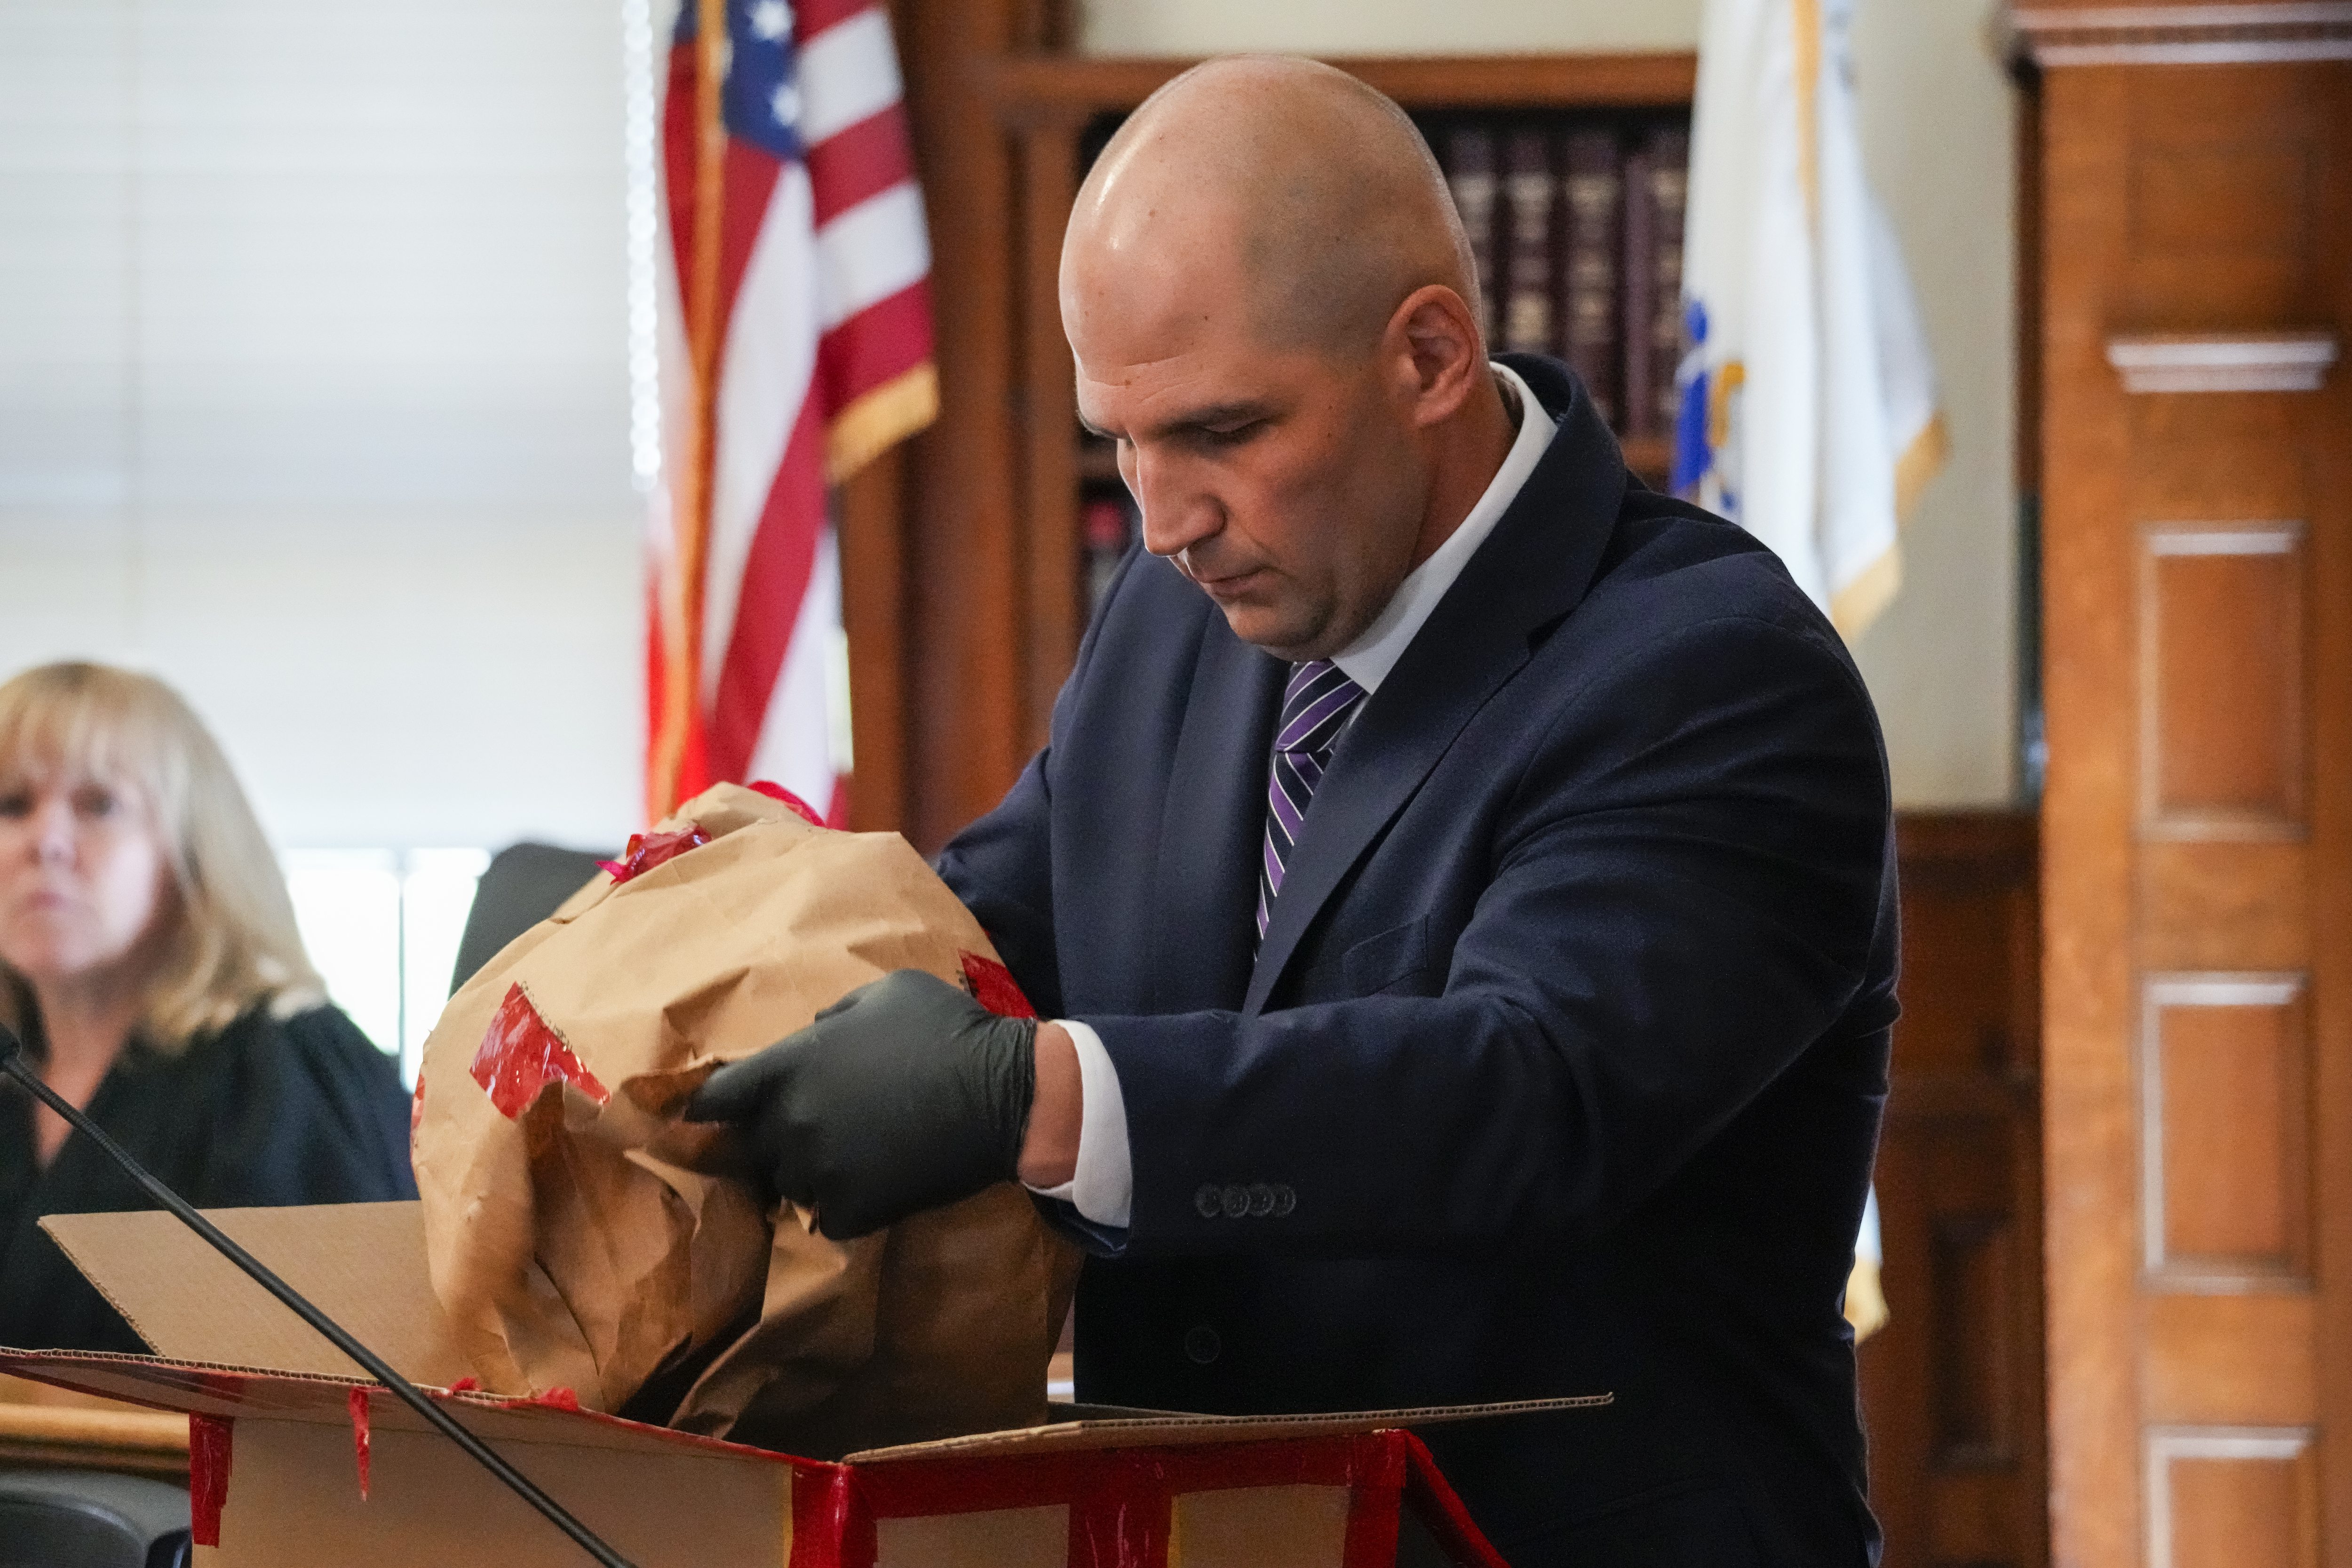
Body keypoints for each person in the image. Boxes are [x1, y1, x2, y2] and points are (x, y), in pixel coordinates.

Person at [687, 56, 1895, 1565]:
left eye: (1222, 430)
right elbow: (990, 922)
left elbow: (1530, 1089)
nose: (1164, 516)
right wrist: (716, 980)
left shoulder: (1717, 670)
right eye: (1124, 439)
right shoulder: (1178, 613)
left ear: (1431, 354)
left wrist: (1038, 1097)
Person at [0, 662, 416, 1354]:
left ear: (193, 851)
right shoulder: (14, 1077)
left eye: (99, 803)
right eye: (11, 804)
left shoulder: (285, 1069)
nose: (45, 840)